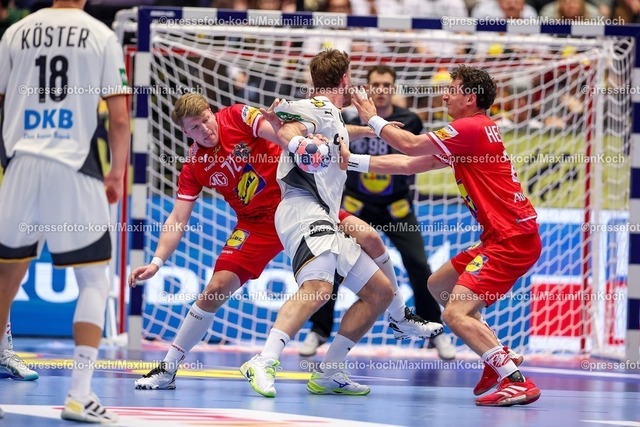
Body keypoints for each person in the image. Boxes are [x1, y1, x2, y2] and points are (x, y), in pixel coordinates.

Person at [131, 92, 439, 390]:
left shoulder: (236, 117)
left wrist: (319, 141)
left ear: (212, 112)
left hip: (298, 203)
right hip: (256, 225)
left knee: (369, 236)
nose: (205, 129)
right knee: (215, 289)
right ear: (186, 133)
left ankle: (399, 316)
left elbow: (284, 133)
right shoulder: (194, 166)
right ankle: (168, 368)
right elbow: (177, 218)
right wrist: (157, 262)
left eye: (205, 120)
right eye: (195, 128)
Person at [239, 49, 443, 398]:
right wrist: (300, 142)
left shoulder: (330, 114)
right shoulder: (314, 107)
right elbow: (288, 127)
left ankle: (330, 369)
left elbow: (335, 129)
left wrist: (366, 128)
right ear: (345, 79)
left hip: (326, 214)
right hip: (303, 209)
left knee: (379, 292)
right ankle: (263, 360)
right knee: (319, 288)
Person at [345, 64, 541, 407]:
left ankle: (515, 379)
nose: (445, 96)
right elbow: (409, 164)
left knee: (454, 315)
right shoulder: (472, 133)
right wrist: (350, 161)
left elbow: (409, 144)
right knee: (438, 285)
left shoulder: (470, 127)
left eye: (453, 89)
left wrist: (372, 118)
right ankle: (498, 356)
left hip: (511, 240)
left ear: (470, 97)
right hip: (502, 236)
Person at [0, 0, 130, 423]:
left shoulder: (15, 32)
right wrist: (116, 173)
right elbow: (119, 119)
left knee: (5, 279)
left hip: (19, 163)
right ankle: (79, 394)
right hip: (74, 166)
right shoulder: (100, 34)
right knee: (93, 278)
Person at [300, 65, 456, 360]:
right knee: (333, 265)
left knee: (418, 265)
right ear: (368, 88)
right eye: (376, 84)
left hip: (397, 208)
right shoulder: (347, 119)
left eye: (387, 84)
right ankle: (319, 330)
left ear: (393, 88)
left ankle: (434, 334)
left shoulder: (409, 120)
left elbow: (413, 160)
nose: (381, 89)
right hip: (356, 206)